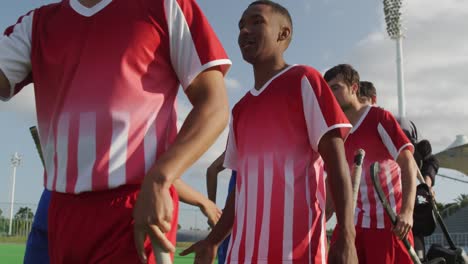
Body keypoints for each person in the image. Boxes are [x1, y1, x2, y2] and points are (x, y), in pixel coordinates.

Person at [0, 0, 231, 262]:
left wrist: (160, 179)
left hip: (136, 204)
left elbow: (215, 106)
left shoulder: (165, 6)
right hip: (62, 209)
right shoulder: (36, 24)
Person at [181, 1, 358, 263]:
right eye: (241, 25)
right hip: (243, 254)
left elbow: (336, 161)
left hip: (297, 252)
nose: (244, 30)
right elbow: (238, 191)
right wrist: (213, 240)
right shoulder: (240, 109)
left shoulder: (304, 80)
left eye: (256, 22)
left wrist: (346, 234)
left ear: (283, 33)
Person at [324, 64, 418, 264]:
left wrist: (407, 213)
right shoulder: (334, 133)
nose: (330, 94)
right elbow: (332, 187)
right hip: (351, 227)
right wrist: (317, 224)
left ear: (354, 88)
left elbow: (408, 162)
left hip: (387, 226)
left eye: (336, 88)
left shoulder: (378, 118)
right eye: (327, 89)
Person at [205, 151, 237, 264]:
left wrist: (212, 209)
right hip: (265, 221)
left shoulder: (241, 139)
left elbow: (212, 170)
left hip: (229, 225)